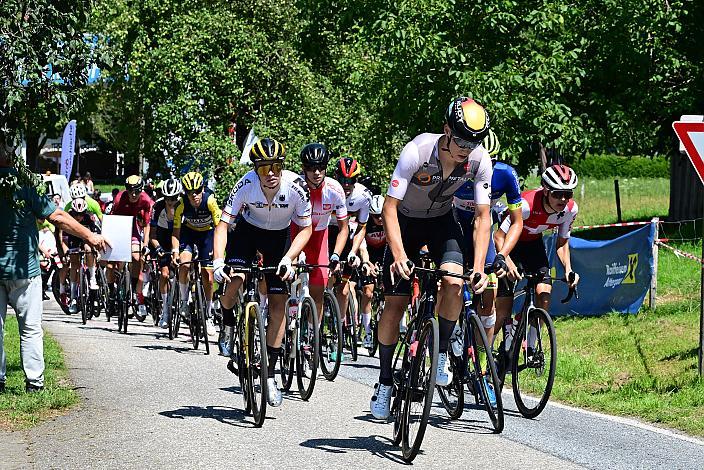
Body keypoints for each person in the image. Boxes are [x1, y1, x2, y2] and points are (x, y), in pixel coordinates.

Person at [370, 96, 493, 419]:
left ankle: (439, 356)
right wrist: (397, 255)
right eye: (462, 139)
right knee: (395, 304)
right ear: (446, 130)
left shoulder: (480, 161)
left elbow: (483, 217)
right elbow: (389, 208)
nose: (467, 148)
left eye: (474, 141)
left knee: (454, 283)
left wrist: (478, 267)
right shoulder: (417, 152)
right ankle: (384, 382)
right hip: (406, 223)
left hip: (441, 221)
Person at [213, 137, 312, 407]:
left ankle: (269, 374)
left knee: (279, 301)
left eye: (276, 167)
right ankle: (227, 321)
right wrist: (219, 261)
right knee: (236, 279)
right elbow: (223, 225)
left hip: (279, 240)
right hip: (247, 234)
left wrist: (290, 258)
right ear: (255, 169)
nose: (271, 174)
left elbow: (306, 229)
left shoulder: (296, 188)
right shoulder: (245, 184)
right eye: (264, 168)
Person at [0, 146, 108, 393]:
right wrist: (90, 236)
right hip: (25, 269)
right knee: (30, 328)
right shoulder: (23, 182)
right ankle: (34, 383)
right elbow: (57, 216)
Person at [452, 129, 523, 348]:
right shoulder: (455, 168)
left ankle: (484, 365)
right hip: (456, 224)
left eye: (490, 162)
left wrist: (502, 255)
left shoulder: (506, 175)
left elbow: (517, 221)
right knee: (450, 283)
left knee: (489, 299)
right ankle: (452, 331)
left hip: (483, 229)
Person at [494, 164, 580, 343]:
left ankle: (532, 346)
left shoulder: (570, 210)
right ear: (546, 190)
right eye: (557, 193)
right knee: (503, 310)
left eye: (568, 194)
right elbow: (498, 236)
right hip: (509, 246)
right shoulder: (526, 205)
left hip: (533, 244)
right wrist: (507, 262)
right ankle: (485, 358)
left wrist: (568, 270)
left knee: (544, 295)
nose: (563, 199)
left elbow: (562, 243)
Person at [290, 143, 349, 321]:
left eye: (321, 167)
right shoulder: (295, 187)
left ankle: (311, 336)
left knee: (318, 293)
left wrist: (336, 255)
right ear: (303, 169)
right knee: (287, 285)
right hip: (295, 234)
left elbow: (343, 228)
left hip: (319, 238)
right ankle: (285, 323)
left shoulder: (335, 190)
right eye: (311, 168)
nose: (316, 172)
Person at [328, 157, 372, 337]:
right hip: (326, 232)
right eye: (343, 180)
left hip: (346, 236)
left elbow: (362, 227)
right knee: (325, 280)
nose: (346, 185)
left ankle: (338, 330)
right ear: (336, 177)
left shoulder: (363, 196)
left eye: (351, 181)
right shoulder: (327, 189)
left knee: (344, 289)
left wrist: (353, 252)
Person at [171, 171, 221, 324]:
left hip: (207, 236)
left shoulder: (210, 201)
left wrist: (219, 254)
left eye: (198, 191)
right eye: (190, 193)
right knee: (184, 264)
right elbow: (176, 231)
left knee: (208, 274)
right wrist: (174, 251)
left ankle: (208, 312)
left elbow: (220, 228)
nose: (194, 196)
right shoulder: (181, 204)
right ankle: (184, 302)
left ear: (203, 189)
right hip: (189, 235)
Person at [106, 175, 153, 321]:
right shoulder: (119, 198)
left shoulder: (146, 200)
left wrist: (145, 244)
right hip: (118, 226)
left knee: (137, 257)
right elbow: (112, 220)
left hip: (133, 227)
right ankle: (112, 289)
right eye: (131, 191)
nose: (133, 194)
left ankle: (132, 288)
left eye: (137, 191)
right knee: (112, 263)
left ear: (141, 190)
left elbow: (146, 225)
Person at [149, 177, 181, 328]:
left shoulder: (183, 205)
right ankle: (165, 311)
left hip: (179, 238)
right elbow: (152, 235)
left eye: (174, 198)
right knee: (164, 274)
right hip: (162, 239)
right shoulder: (157, 206)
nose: (170, 201)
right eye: (168, 198)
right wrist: (158, 248)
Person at [61, 198, 101, 314]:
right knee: (74, 264)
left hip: (86, 238)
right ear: (72, 212)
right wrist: (66, 251)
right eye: (76, 214)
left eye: (81, 214)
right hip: (73, 239)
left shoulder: (89, 218)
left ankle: (92, 278)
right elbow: (63, 238)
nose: (78, 217)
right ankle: (73, 298)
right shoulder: (68, 219)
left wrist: (95, 250)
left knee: (88, 249)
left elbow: (94, 235)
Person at [358, 194, 385, 348]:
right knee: (368, 293)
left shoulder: (389, 221)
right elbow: (362, 247)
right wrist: (367, 263)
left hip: (384, 255)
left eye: (381, 215)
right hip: (368, 256)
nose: (379, 219)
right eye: (375, 216)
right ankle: (367, 332)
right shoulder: (366, 224)